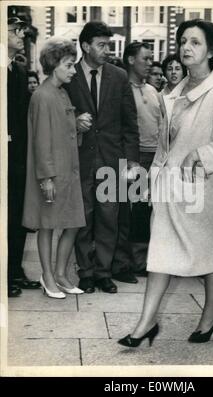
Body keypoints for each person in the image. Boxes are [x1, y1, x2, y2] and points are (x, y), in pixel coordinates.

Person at [118, 19, 213, 347]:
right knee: (160, 252)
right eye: (183, 41)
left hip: (205, 190)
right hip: (170, 189)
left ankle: (210, 313)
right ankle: (145, 324)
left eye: (195, 43)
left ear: (212, 51)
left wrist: (200, 155)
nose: (186, 48)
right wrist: (153, 178)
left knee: (209, 257)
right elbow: (166, 144)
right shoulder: (172, 94)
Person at [64, 22, 140, 294]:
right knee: (83, 217)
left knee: (110, 217)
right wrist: (73, 121)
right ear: (85, 46)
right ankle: (85, 272)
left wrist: (131, 161)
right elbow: (59, 114)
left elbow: (130, 122)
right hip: (80, 159)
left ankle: (103, 272)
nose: (107, 50)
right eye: (102, 45)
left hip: (112, 160)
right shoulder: (69, 76)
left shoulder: (119, 77)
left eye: (109, 44)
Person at [22, 37, 86, 298]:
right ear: (55, 64)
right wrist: (46, 177)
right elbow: (40, 140)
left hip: (68, 171)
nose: (73, 70)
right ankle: (47, 276)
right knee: (47, 226)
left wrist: (78, 125)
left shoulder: (61, 92)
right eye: (69, 65)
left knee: (72, 223)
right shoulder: (42, 95)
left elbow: (65, 133)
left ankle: (60, 274)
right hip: (51, 173)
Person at [7, 17, 40, 297]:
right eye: (13, 29)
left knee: (16, 216)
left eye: (21, 30)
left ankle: (13, 271)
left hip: (15, 159)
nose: (21, 33)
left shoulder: (19, 70)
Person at [123, 42, 163, 275]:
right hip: (132, 157)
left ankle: (142, 260)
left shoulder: (153, 92)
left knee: (145, 210)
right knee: (129, 208)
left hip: (154, 157)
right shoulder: (121, 89)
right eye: (145, 59)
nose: (149, 64)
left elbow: (161, 126)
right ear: (130, 60)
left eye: (151, 59)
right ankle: (128, 260)